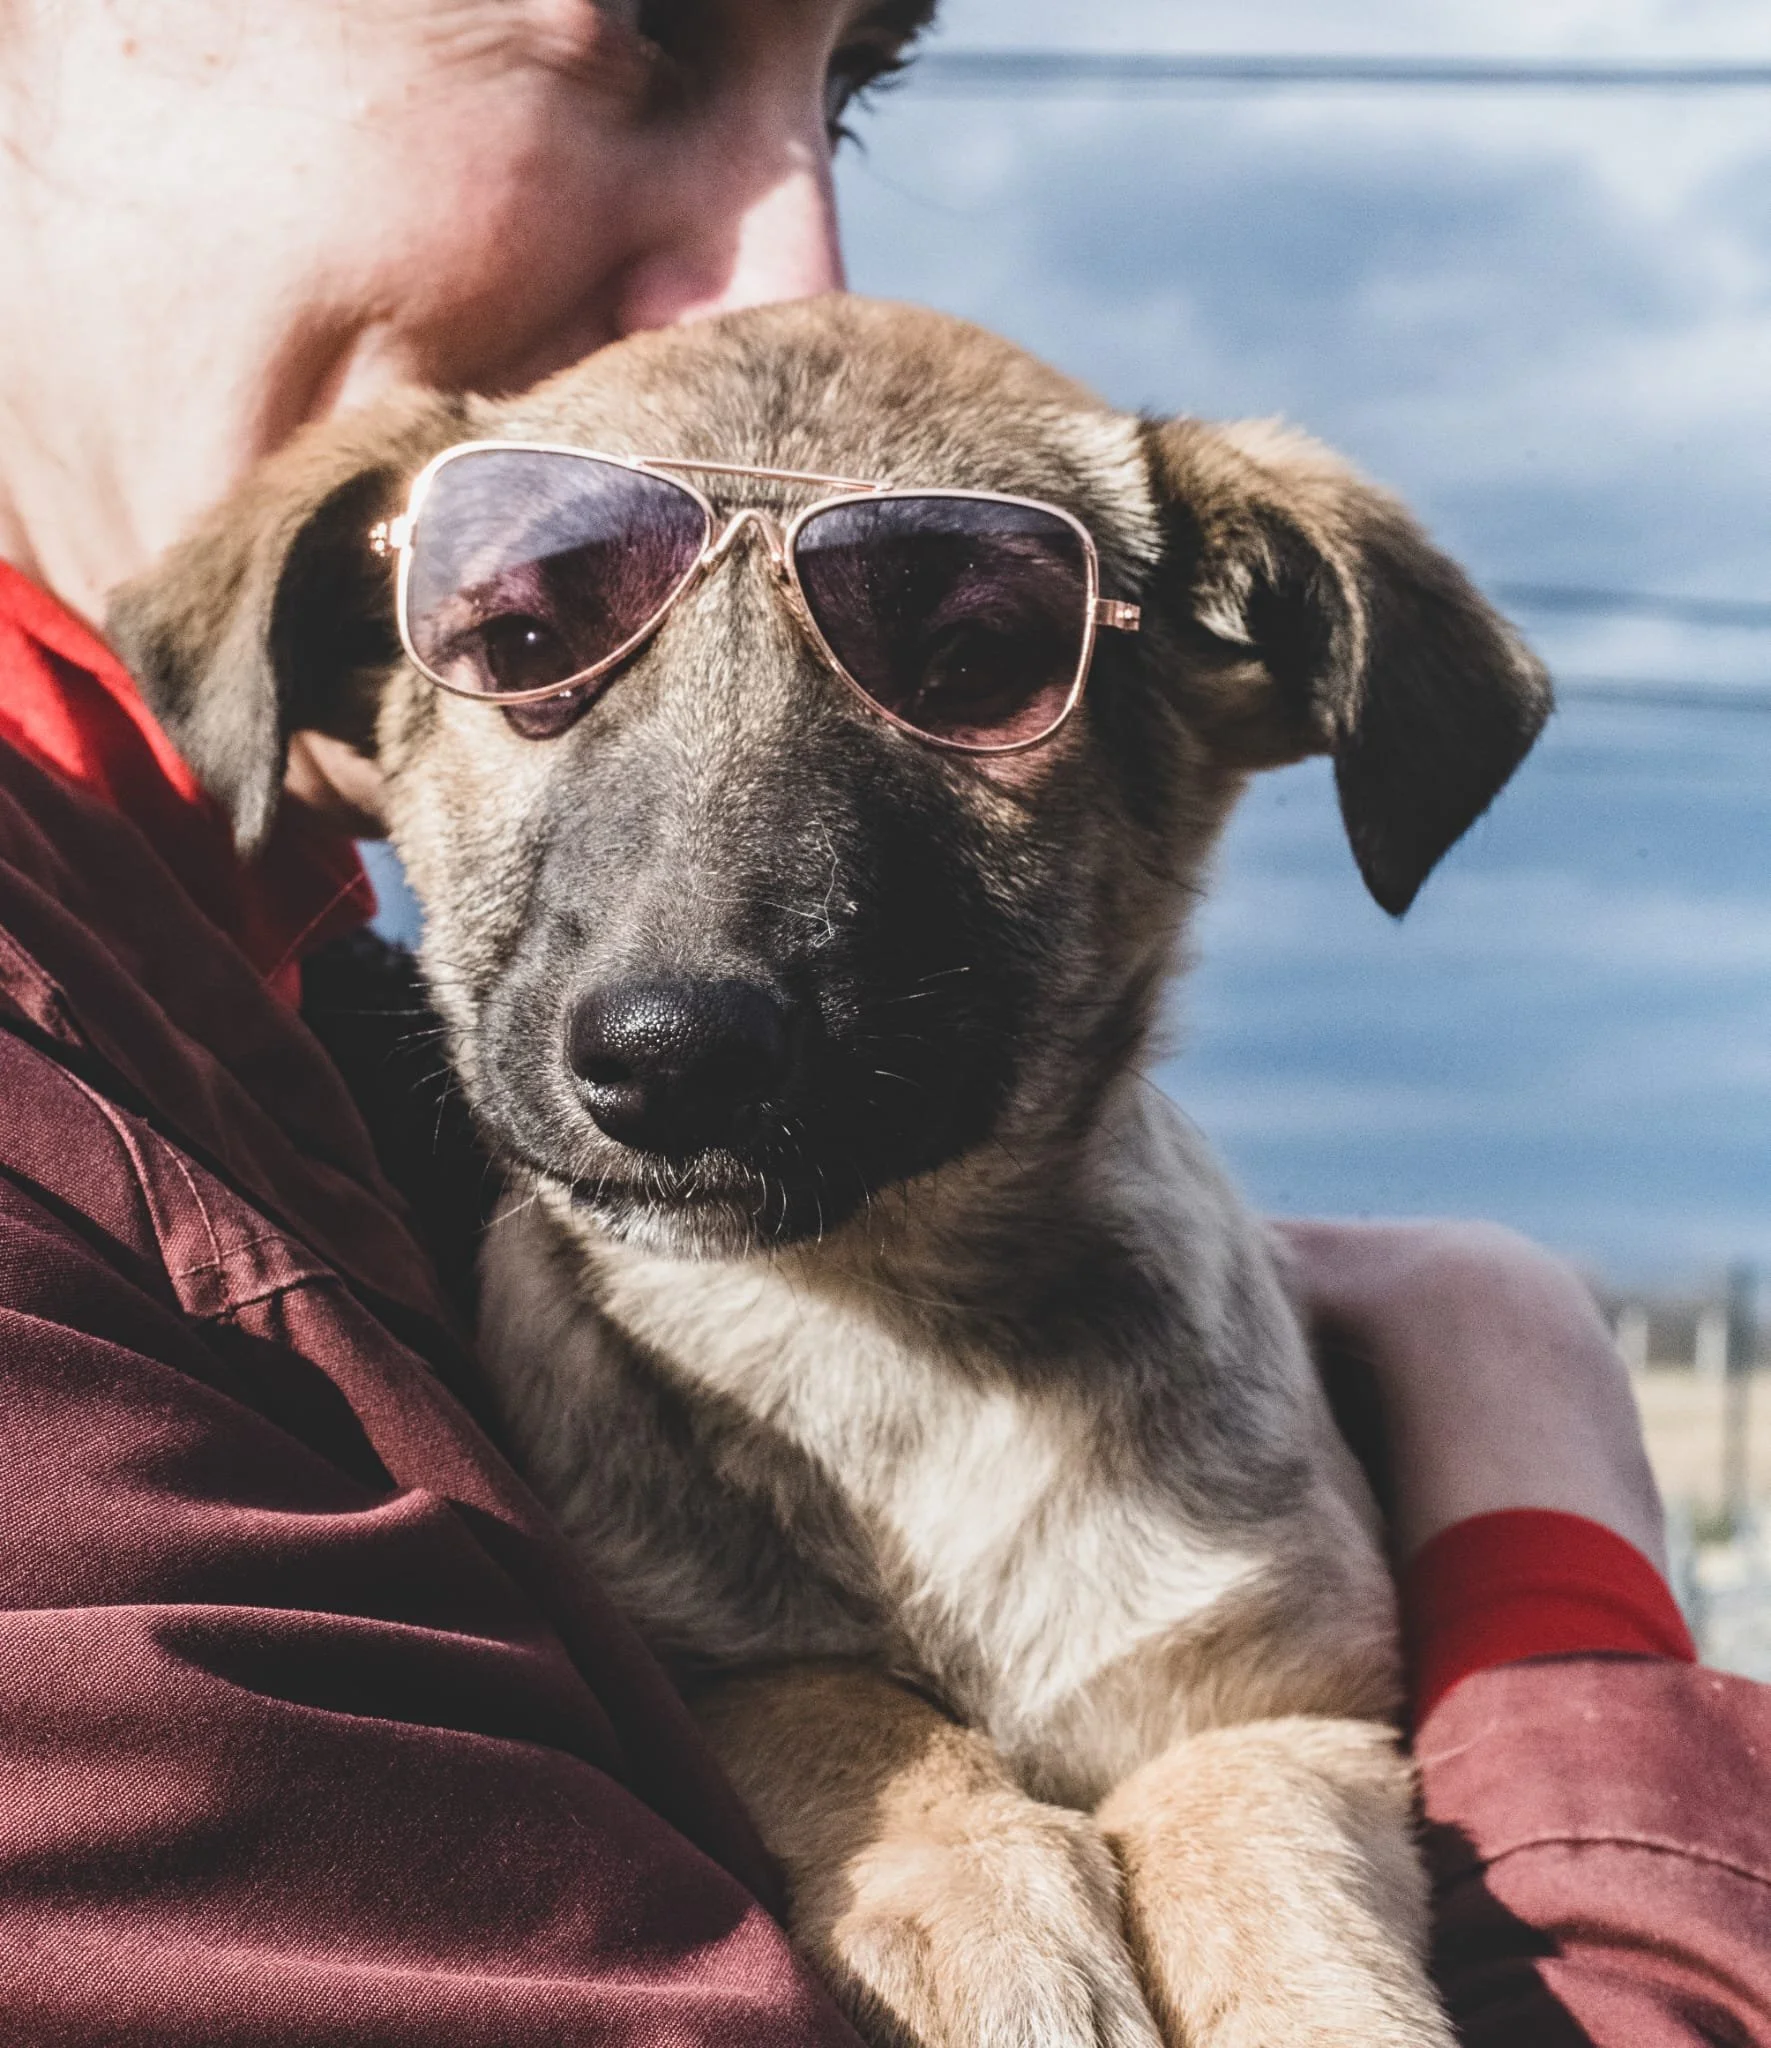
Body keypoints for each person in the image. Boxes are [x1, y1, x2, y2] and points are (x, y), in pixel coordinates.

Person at [0, 4, 1764, 2042]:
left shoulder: (265, 1041)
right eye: (639, 41)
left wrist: (1251, 1807)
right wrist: (1547, 1559)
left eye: (848, 90)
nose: (803, 265)